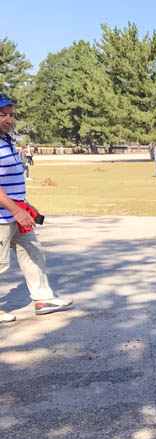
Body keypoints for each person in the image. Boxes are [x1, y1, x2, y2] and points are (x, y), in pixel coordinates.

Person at [0, 93, 73, 323]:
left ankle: (43, 299)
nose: (9, 119)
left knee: (33, 252)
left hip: (16, 212)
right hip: (3, 216)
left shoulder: (7, 141)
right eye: (3, 114)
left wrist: (24, 204)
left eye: (11, 115)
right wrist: (15, 209)